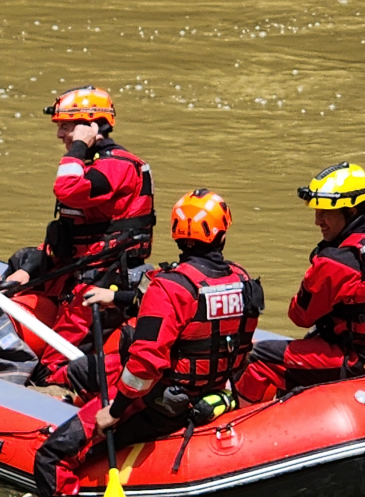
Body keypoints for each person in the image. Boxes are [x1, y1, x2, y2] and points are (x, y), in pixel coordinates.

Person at [33, 190, 263, 497]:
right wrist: (115, 296)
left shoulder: (171, 286)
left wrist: (114, 412)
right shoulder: (241, 279)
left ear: (177, 235)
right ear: (222, 235)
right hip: (211, 390)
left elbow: (145, 364)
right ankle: (70, 400)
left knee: (51, 455)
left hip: (160, 403)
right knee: (82, 370)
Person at [236, 162, 365, 404]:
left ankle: (234, 425)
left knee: (262, 356)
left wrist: (318, 267)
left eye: (326, 212)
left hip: (361, 359)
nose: (318, 220)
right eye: (317, 211)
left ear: (351, 211)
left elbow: (300, 316)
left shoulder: (337, 262)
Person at [4, 86, 155, 391]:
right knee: (23, 260)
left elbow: (68, 189)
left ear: (91, 126)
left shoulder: (116, 166)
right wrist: (30, 269)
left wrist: (78, 147)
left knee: (51, 371)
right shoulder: (93, 162)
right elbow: (69, 230)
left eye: (65, 127)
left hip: (99, 278)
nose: (60, 135)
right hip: (77, 264)